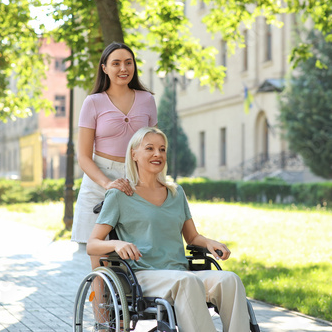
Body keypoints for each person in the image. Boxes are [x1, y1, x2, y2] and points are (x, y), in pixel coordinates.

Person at [87, 127, 250, 332]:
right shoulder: (120, 194)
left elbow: (192, 236)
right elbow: (92, 244)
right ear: (134, 154)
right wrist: (117, 243)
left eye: (162, 149)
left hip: (179, 274)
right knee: (186, 281)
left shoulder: (176, 193)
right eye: (150, 148)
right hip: (144, 275)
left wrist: (208, 243)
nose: (158, 154)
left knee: (230, 280)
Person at [71, 42, 157, 268]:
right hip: (99, 179)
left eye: (128, 63)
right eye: (116, 63)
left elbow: (154, 145)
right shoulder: (93, 102)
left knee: (136, 251)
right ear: (104, 68)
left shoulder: (147, 100)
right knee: (100, 258)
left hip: (136, 179)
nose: (123, 68)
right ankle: (100, 304)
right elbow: (83, 157)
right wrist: (108, 183)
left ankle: (131, 302)